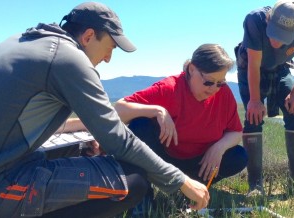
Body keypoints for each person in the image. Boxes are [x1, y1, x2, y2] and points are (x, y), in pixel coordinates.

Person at [0, 2, 209, 217]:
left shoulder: (25, 42)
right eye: (110, 48)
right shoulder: (67, 59)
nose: (108, 58)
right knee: (133, 181)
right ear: (88, 36)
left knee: (81, 150)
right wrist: (182, 181)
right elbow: (119, 140)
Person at [63, 43, 248, 192]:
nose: (213, 89)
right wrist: (157, 110)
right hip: (162, 161)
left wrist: (219, 147)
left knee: (238, 156)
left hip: (199, 162)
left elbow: (235, 131)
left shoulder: (223, 95)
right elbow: (118, 109)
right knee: (140, 126)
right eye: (208, 81)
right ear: (192, 69)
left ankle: (193, 188)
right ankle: (143, 190)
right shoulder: (170, 88)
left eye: (220, 83)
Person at [234, 0, 294, 196]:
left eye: (283, 37)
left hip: (281, 68)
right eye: (274, 33)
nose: (276, 42)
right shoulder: (254, 20)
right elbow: (254, 64)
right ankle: (255, 185)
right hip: (250, 67)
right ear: (269, 19)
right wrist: (255, 100)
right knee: (253, 117)